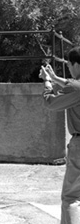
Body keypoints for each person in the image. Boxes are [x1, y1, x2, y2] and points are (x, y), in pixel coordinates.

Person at [40, 48, 80, 224]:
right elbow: (72, 85)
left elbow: (50, 103)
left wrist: (48, 82)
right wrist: (56, 78)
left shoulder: (76, 88)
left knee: (71, 197)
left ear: (76, 64)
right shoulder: (75, 86)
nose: (69, 69)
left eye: (69, 65)